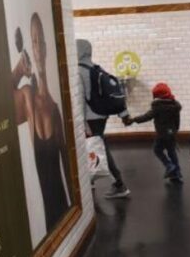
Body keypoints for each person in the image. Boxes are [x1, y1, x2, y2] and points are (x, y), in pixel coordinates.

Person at [11, 13, 72, 232]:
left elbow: (67, 164)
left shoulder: (55, 108)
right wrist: (19, 71)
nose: (37, 49)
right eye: (33, 41)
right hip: (46, 213)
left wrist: (76, 206)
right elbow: (1, 107)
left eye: (40, 42)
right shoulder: (28, 96)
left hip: (63, 205)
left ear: (46, 48)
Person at [77, 39, 131, 199]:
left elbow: (80, 100)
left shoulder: (79, 71)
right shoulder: (96, 68)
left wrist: (83, 123)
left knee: (99, 148)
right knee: (95, 146)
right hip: (101, 115)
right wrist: (124, 114)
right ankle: (91, 179)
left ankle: (119, 184)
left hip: (90, 118)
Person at [127, 82, 183, 183]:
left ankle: (169, 165)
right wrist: (175, 132)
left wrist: (134, 119)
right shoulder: (175, 106)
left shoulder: (158, 107)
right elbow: (177, 121)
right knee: (172, 152)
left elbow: (146, 117)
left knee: (157, 150)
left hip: (162, 134)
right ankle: (177, 173)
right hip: (171, 133)